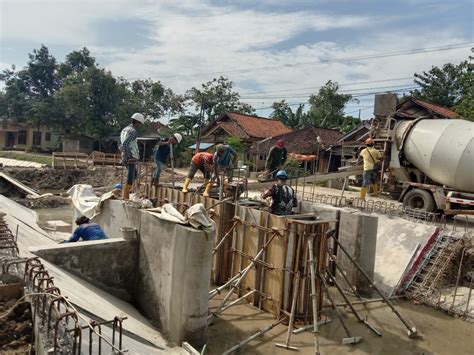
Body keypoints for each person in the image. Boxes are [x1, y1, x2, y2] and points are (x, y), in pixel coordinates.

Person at [119, 113, 145, 200]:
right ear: (137, 122)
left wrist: (123, 154)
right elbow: (126, 143)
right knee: (131, 176)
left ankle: (130, 192)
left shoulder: (124, 130)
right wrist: (128, 155)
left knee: (135, 174)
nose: (140, 126)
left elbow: (120, 144)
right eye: (140, 123)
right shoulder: (133, 131)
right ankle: (125, 196)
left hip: (126, 155)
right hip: (130, 156)